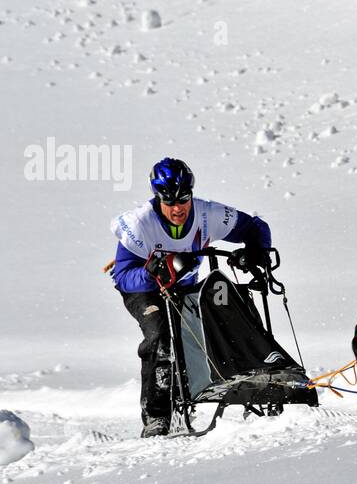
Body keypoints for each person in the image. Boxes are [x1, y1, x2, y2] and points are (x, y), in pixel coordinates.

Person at [110, 157, 272, 437]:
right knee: (160, 336)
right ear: (157, 196)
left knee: (231, 313)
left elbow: (256, 228)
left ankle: (258, 380)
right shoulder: (139, 224)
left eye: (183, 199)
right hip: (145, 291)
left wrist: (256, 251)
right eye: (169, 201)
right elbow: (122, 277)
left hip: (185, 287)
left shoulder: (208, 214)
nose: (177, 208)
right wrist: (152, 273)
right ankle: (156, 416)